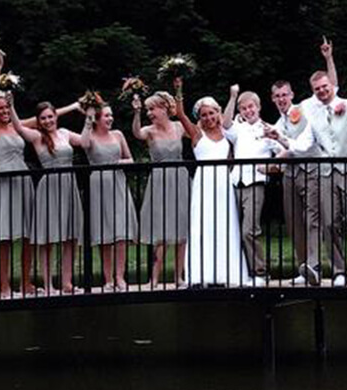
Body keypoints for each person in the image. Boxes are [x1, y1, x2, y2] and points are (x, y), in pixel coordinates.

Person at [269, 36, 340, 286]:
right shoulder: (276, 125)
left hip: (311, 170)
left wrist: (328, 58)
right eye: (277, 96)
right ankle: (304, 269)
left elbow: (332, 86)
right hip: (290, 175)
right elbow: (274, 153)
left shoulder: (307, 107)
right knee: (294, 221)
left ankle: (315, 265)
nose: (281, 99)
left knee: (313, 219)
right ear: (273, 99)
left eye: (285, 94)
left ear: (292, 94)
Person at [296, 69, 347, 287]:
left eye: (324, 86)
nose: (322, 91)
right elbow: (302, 145)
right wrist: (281, 139)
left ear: (331, 85)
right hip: (326, 173)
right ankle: (340, 271)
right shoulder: (314, 115)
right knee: (330, 223)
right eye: (317, 89)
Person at [173, 78, 247, 287]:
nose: (208, 117)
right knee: (202, 225)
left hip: (224, 183)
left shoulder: (227, 133)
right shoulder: (197, 134)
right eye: (204, 114)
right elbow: (180, 114)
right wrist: (179, 90)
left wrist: (233, 95)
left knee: (225, 224)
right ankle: (200, 275)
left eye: (212, 113)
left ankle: (227, 274)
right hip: (203, 184)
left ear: (218, 112)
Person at [10, 100, 85, 294]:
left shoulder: (65, 133)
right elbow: (17, 127)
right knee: (48, 238)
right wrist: (11, 104)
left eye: (50, 116)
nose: (47, 121)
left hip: (69, 185)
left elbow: (85, 142)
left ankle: (67, 283)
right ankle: (49, 284)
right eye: (43, 118)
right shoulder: (37, 137)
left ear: (56, 117)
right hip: (49, 186)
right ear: (39, 121)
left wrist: (90, 117)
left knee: (71, 236)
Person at [0, 51, 35, 297]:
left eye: (7, 107)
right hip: (3, 184)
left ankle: (26, 283)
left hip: (23, 181)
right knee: (5, 237)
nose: (4, 111)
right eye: (0, 108)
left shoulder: (16, 126)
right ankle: (4, 286)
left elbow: (48, 118)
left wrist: (76, 107)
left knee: (27, 235)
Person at [222, 84, 286, 287]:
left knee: (249, 229)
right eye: (244, 108)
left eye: (251, 107)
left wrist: (270, 168)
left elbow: (285, 152)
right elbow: (225, 124)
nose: (248, 111)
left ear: (258, 107)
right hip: (236, 182)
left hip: (255, 183)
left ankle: (261, 272)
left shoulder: (267, 129)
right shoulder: (238, 128)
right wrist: (233, 97)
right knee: (233, 229)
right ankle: (239, 271)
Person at [131, 91, 190, 288]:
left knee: (182, 229)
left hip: (180, 179)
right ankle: (154, 279)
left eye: (152, 108)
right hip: (160, 182)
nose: (150, 113)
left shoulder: (179, 127)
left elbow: (197, 135)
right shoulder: (149, 131)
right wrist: (137, 112)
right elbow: (136, 133)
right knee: (161, 231)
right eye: (147, 109)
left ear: (163, 108)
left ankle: (178, 277)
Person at [81, 101, 139, 292]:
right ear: (97, 119)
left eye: (111, 115)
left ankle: (120, 277)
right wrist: (88, 119)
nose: (110, 118)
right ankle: (107, 279)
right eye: (106, 115)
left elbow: (130, 158)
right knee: (104, 234)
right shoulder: (90, 135)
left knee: (121, 233)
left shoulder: (118, 135)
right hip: (98, 186)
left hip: (118, 183)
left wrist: (117, 162)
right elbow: (84, 144)